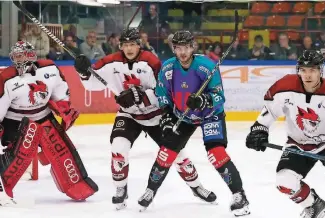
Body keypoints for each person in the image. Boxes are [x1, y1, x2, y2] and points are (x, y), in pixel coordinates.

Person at [73, 28, 217, 210]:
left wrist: (137, 95)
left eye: (133, 44)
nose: (129, 48)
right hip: (129, 115)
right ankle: (120, 189)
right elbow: (92, 83)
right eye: (125, 45)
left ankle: (197, 187)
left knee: (178, 154)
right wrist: (83, 72)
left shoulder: (151, 61)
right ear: (120, 46)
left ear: (139, 45)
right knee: (118, 148)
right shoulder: (111, 62)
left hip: (155, 115)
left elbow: (163, 90)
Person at [137, 30, 250, 216]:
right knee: (166, 153)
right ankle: (150, 190)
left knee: (216, 153)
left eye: (186, 47)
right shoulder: (168, 67)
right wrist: (166, 115)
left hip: (210, 114)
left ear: (193, 47)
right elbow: (162, 93)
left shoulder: (206, 66)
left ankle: (239, 195)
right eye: (178, 48)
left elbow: (219, 96)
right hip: (183, 115)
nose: (182, 52)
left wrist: (203, 100)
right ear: (174, 48)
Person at [246, 50, 325, 218]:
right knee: (284, 182)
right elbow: (270, 111)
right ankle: (314, 205)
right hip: (298, 144)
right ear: (298, 70)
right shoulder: (284, 87)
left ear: (320, 70)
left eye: (312, 70)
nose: (308, 75)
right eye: (304, 70)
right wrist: (260, 128)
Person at [0, 41, 98, 206]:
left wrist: (64, 109)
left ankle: (75, 184)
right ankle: (3, 182)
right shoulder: (6, 77)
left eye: (21, 55)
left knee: (61, 149)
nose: (18, 59)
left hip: (44, 116)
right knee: (23, 150)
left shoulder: (49, 69)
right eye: (15, 56)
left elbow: (59, 94)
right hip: (16, 122)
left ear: (31, 55)